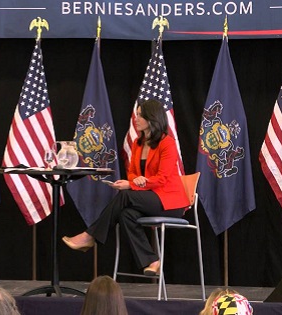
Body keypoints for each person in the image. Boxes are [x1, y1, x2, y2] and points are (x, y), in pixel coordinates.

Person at [62, 99, 190, 275]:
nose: (136, 119)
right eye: (136, 115)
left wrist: (131, 185)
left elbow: (163, 178)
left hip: (170, 203)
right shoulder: (138, 143)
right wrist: (132, 181)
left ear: (151, 117)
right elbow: (132, 172)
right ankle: (152, 260)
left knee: (125, 197)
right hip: (148, 199)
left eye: (139, 115)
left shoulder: (167, 143)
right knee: (126, 214)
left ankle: (90, 235)